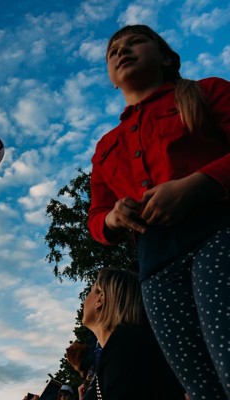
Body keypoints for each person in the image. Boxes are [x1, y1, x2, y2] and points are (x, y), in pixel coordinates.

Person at [87, 24, 230, 399]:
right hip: (156, 269)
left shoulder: (205, 92)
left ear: (166, 57)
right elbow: (96, 217)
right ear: (111, 79)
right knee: (200, 388)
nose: (122, 50)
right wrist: (114, 218)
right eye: (113, 50)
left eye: (135, 42)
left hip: (217, 235)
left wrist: (197, 184)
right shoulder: (105, 147)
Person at [81, 267, 185, 400]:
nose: (85, 300)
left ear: (100, 299)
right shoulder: (121, 347)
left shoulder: (125, 345)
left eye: (90, 291)